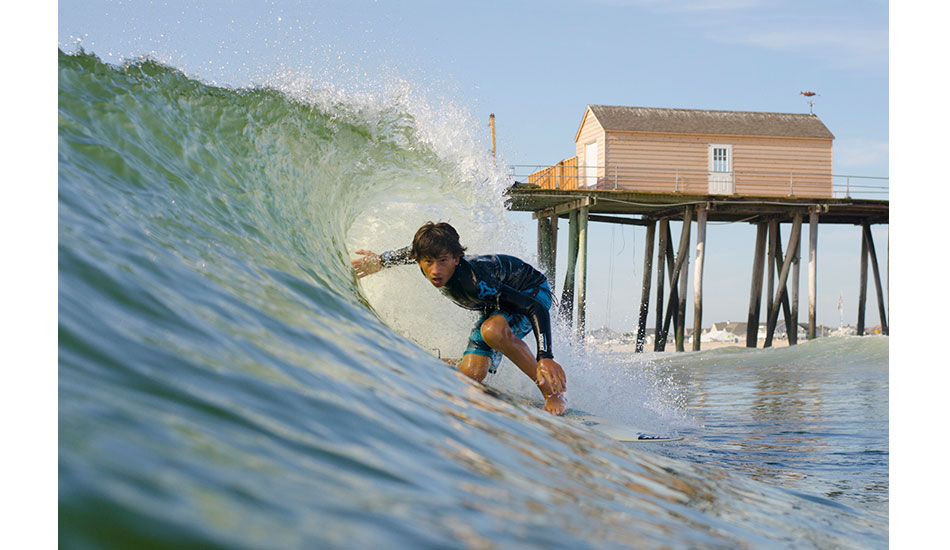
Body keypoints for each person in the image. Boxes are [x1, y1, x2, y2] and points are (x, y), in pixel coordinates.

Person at [352, 222, 567, 415]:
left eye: (443, 261)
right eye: (428, 262)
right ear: (419, 260)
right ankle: (456, 361)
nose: (435, 270)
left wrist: (545, 356)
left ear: (456, 258)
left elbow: (534, 307)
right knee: (469, 378)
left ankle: (553, 393)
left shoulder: (475, 281)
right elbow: (411, 251)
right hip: (497, 303)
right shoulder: (424, 256)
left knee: (492, 330)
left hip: (532, 292)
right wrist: (380, 261)